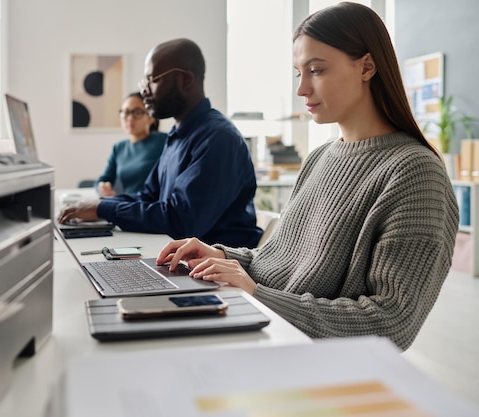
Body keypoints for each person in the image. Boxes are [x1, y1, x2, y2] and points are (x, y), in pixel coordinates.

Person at [156, 2, 459, 351]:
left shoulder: (415, 173)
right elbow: (279, 263)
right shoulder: (319, 158)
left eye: (316, 70)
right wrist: (222, 257)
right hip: (270, 336)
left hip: (315, 365)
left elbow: (390, 322)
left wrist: (256, 295)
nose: (302, 90)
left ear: (367, 66)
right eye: (299, 73)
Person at [58, 38, 262, 248]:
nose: (145, 90)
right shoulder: (177, 134)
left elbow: (181, 220)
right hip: (181, 257)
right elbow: (148, 197)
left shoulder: (218, 139)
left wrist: (104, 209)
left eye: (152, 80)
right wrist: (99, 204)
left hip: (216, 269)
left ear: (185, 80)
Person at [96, 92, 166, 197]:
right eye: (125, 112)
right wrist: (102, 187)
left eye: (137, 113)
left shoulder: (165, 141)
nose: (129, 118)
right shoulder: (119, 148)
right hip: (128, 205)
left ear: (151, 117)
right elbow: (104, 179)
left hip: (154, 206)